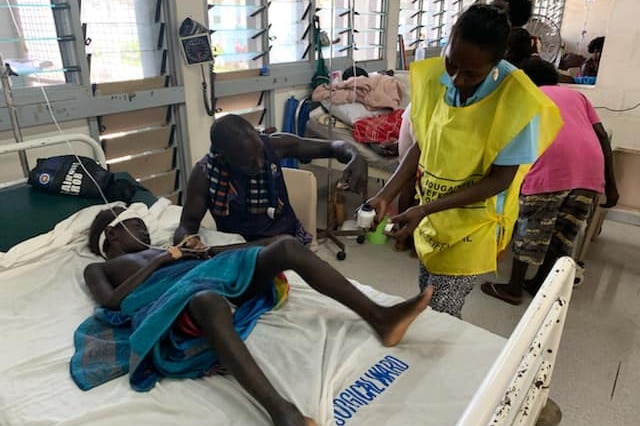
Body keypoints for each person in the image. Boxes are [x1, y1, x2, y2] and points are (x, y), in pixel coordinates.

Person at [71, 206, 433, 426]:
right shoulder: (101, 269)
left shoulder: (171, 250)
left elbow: (220, 261)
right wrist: (164, 261)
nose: (147, 231)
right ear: (113, 234)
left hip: (204, 276)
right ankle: (282, 413)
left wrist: (202, 252)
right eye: (137, 226)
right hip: (171, 300)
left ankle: (380, 318)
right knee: (206, 300)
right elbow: (115, 303)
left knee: (286, 247)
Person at [366, 4, 562, 318]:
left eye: (471, 73)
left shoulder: (517, 102)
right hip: (432, 219)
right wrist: (385, 196)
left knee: (440, 311)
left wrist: (424, 208)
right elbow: (421, 146)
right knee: (427, 298)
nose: (456, 79)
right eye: (451, 63)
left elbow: (500, 179)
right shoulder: (434, 80)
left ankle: (440, 361)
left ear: (497, 62)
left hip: (474, 224)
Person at [481, 57, 619, 305]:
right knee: (562, 234)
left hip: (549, 169)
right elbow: (601, 136)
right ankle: (539, 285)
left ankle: (513, 289)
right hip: (590, 172)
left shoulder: (528, 97)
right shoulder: (577, 97)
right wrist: (611, 184)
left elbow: (506, 138)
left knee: (531, 229)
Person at [174, 114, 368, 249]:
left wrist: (355, 156)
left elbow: (334, 147)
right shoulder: (205, 175)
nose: (260, 163)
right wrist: (186, 241)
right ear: (224, 158)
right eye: (249, 162)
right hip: (241, 246)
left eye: (259, 153)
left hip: (288, 240)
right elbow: (186, 226)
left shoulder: (273, 145)